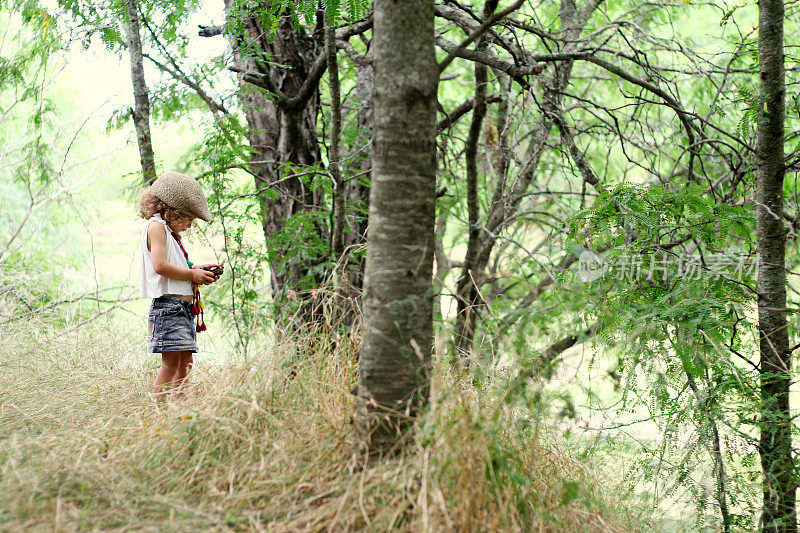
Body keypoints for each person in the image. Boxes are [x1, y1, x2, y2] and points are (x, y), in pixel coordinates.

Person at [137, 171, 220, 402]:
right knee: (171, 362)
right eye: (189, 219)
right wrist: (192, 274)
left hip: (181, 308)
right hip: (168, 307)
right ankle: (159, 411)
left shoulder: (170, 234)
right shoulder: (157, 227)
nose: (190, 226)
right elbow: (160, 266)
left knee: (186, 362)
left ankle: (179, 409)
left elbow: (175, 267)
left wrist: (198, 271)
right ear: (173, 211)